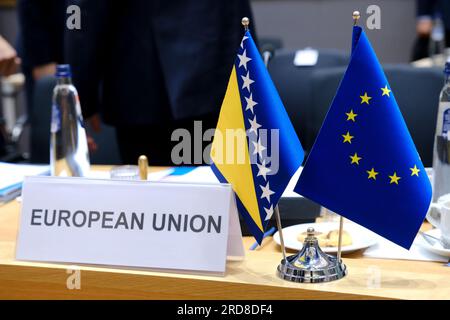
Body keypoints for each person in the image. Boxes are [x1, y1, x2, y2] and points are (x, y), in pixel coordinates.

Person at [65, 0, 255, 165]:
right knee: (218, 197)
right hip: (218, 74)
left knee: (152, 200)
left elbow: (82, 12)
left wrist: (80, 99)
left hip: (146, 88)